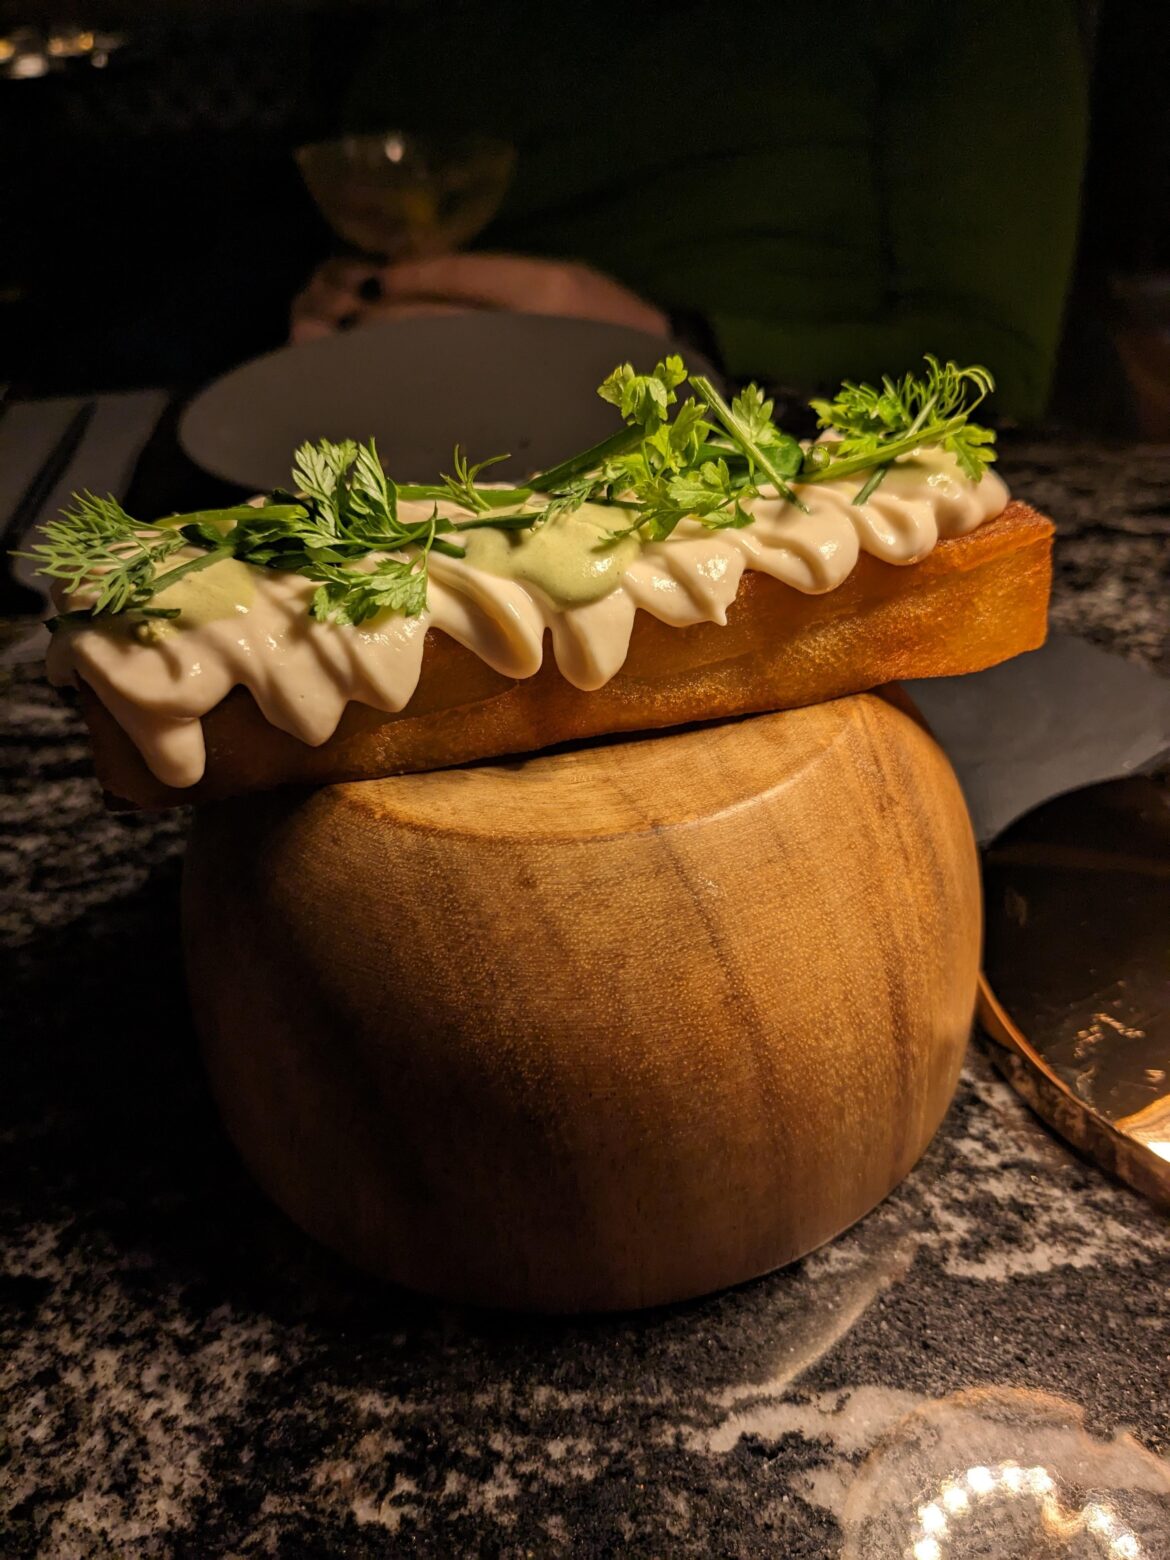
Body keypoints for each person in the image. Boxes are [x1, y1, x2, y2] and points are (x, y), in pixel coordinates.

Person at [291, 0, 1088, 422]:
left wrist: (675, 346)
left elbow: (995, 369)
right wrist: (352, 318)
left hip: (790, 481)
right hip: (462, 470)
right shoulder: (441, 32)